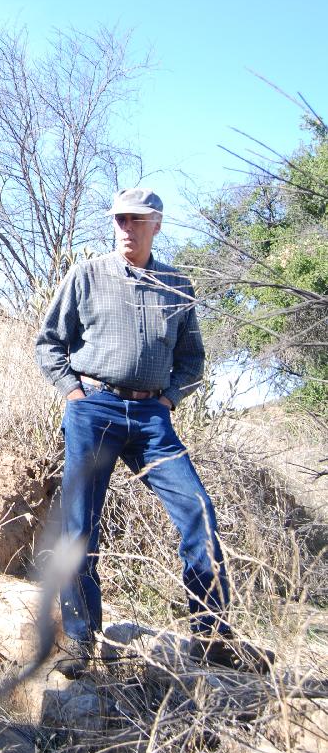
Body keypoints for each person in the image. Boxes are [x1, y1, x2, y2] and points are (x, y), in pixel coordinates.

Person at [36, 187, 273, 678]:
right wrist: (74, 393)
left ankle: (212, 639)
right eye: (121, 220)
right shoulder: (87, 275)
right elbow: (49, 342)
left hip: (151, 420)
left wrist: (167, 400)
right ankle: (81, 642)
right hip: (94, 409)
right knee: (80, 524)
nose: (127, 229)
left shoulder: (176, 286)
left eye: (137, 221)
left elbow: (191, 360)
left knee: (198, 512)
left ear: (157, 225)